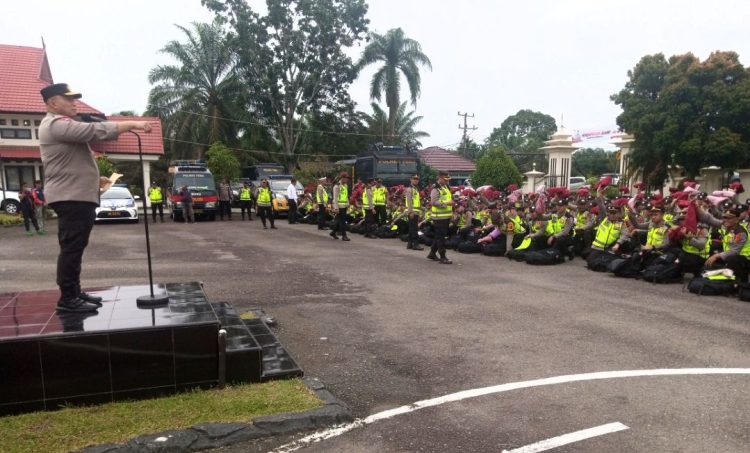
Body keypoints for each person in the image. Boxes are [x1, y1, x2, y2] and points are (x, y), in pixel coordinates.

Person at [38, 82, 152, 312]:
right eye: (67, 99)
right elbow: (94, 131)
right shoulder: (56, 124)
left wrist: (95, 179)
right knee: (72, 247)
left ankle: (74, 292)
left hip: (76, 195)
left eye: (74, 99)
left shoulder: (58, 125)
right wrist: (134, 123)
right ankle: (68, 299)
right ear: (52, 103)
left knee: (76, 246)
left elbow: (72, 162)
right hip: (71, 197)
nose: (73, 103)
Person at [428, 171, 454, 264]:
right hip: (438, 217)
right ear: (440, 177)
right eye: (445, 179)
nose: (447, 181)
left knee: (439, 236)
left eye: (447, 179)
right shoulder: (436, 188)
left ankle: (432, 253)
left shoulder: (445, 187)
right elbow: (434, 202)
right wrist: (447, 203)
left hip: (445, 216)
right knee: (441, 238)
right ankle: (442, 256)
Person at [404, 174, 424, 250]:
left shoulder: (415, 189)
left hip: (415, 211)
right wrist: (410, 212)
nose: (416, 180)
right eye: (414, 179)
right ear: (411, 179)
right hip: (412, 212)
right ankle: (415, 244)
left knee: (412, 228)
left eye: (417, 179)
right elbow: (409, 201)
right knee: (414, 229)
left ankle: (409, 243)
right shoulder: (410, 189)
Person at [330, 172, 351, 241]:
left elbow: (346, 196)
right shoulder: (337, 186)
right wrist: (336, 207)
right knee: (342, 221)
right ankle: (344, 236)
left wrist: (348, 203)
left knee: (339, 221)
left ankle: (333, 232)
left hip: (344, 206)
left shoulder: (345, 186)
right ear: (342, 178)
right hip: (339, 206)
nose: (347, 179)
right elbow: (335, 198)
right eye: (346, 178)